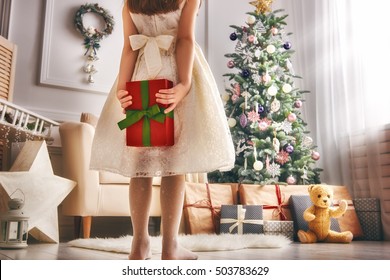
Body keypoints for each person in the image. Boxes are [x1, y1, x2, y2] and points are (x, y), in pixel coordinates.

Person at [90, 0, 235, 260]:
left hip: (142, 74)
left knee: (140, 161)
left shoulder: (130, 2)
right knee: (174, 162)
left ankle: (139, 244)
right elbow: (185, 39)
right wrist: (185, 84)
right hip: (173, 74)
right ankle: (170, 247)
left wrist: (124, 89)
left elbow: (129, 47)